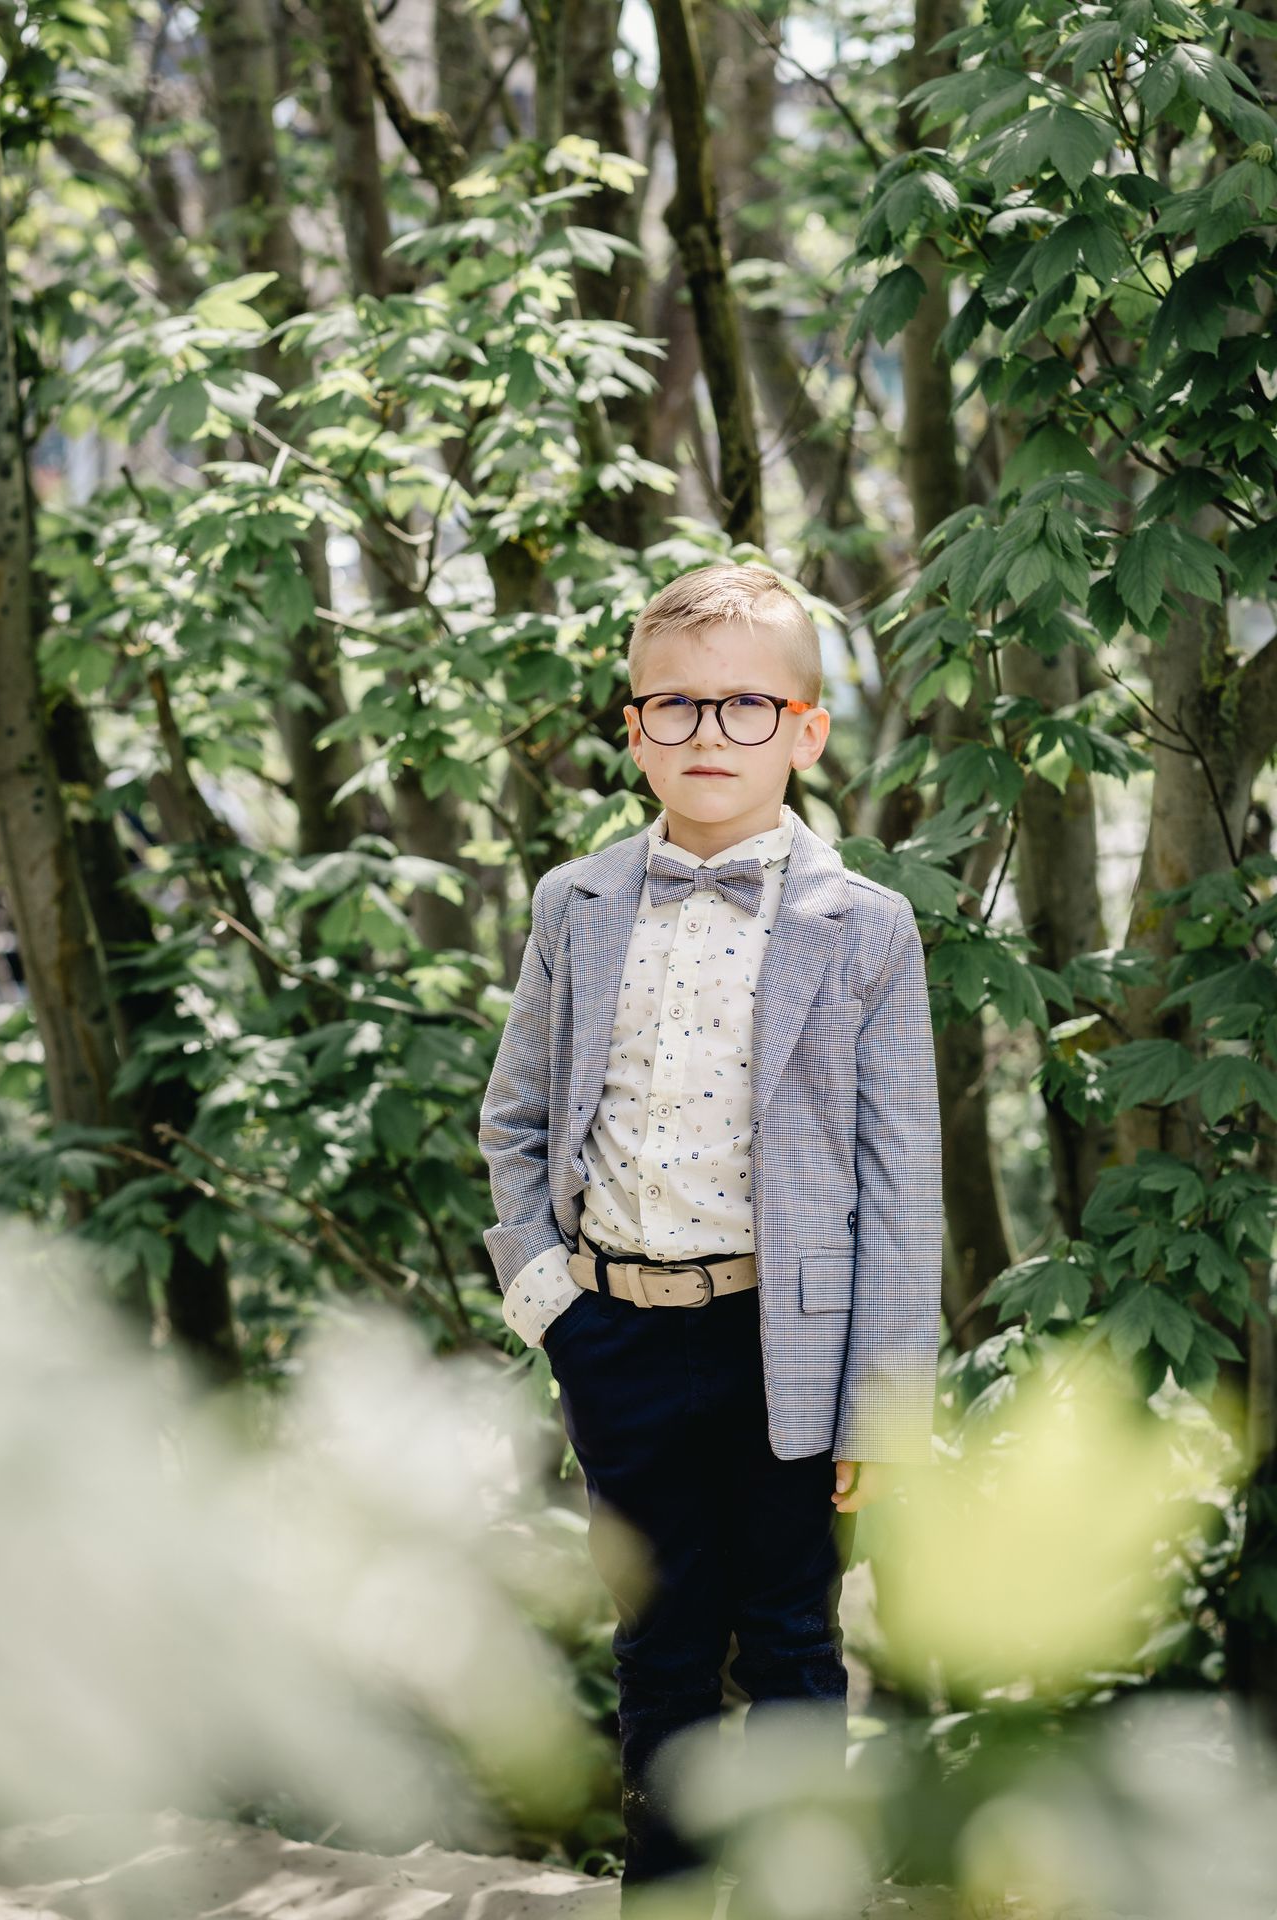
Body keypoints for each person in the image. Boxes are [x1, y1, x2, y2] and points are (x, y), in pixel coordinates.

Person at [478, 561, 943, 1916]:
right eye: (672, 708)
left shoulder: (867, 928)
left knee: (794, 1642)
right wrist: (547, 1295)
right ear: (632, 730)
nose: (704, 736)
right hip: (615, 1331)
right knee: (660, 1649)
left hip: (785, 1346)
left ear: (805, 729)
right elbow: (513, 1119)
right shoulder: (577, 903)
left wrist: (883, 1406)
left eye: (744, 707)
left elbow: (901, 1182)